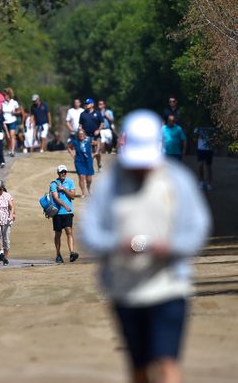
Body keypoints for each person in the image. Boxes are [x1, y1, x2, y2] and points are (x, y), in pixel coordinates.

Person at [81, 109, 211, 383]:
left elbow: (197, 228)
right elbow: (90, 233)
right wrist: (117, 243)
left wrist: (172, 246)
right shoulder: (110, 184)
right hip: (124, 288)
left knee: (166, 363)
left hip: (169, 285)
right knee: (139, 369)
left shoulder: (177, 180)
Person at [49, 165, 78, 264]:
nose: (63, 173)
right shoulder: (53, 184)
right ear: (58, 173)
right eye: (62, 172)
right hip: (57, 212)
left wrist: (64, 189)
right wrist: (65, 205)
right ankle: (58, 254)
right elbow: (56, 198)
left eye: (65, 172)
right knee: (58, 233)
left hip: (68, 212)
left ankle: (72, 253)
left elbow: (73, 196)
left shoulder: (70, 182)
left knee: (69, 231)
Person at [67, 129, 94, 198]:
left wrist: (96, 152)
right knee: (81, 176)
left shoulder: (89, 140)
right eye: (79, 134)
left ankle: (89, 187)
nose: (81, 135)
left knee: (89, 179)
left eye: (82, 134)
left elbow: (97, 143)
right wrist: (73, 155)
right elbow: (69, 147)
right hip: (79, 161)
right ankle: (83, 193)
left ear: (85, 135)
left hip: (88, 161)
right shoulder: (75, 141)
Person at [79, 98, 104, 171]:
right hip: (87, 136)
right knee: (87, 152)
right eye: (86, 104)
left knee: (97, 152)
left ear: (92, 104)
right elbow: (80, 124)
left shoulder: (98, 113)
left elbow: (102, 122)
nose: (86, 105)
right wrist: (80, 131)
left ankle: (99, 165)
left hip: (96, 136)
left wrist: (99, 130)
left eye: (88, 103)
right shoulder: (83, 114)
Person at [195, 125, 215, 190]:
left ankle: (209, 183)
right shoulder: (199, 124)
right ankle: (201, 181)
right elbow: (195, 134)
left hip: (209, 148)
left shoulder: (212, 125)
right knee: (200, 165)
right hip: (200, 148)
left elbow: (216, 136)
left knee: (208, 166)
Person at [2, 88, 20, 157]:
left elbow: (19, 111)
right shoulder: (3, 103)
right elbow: (1, 112)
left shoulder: (14, 102)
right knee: (7, 136)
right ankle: (9, 149)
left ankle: (12, 150)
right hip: (5, 122)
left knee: (12, 135)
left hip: (12, 120)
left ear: (9, 95)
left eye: (5, 95)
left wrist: (15, 112)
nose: (4, 96)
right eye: (4, 95)